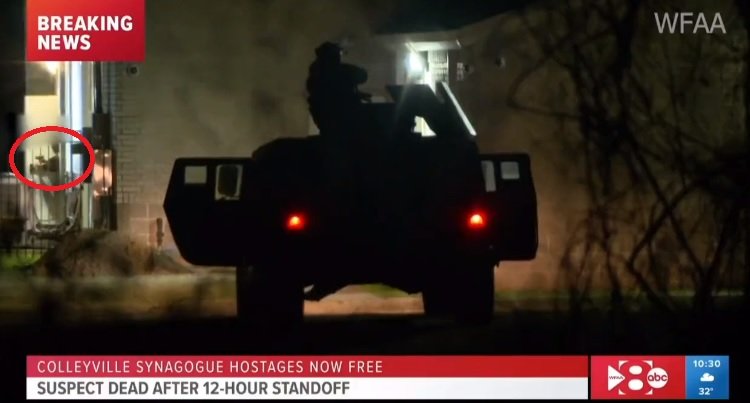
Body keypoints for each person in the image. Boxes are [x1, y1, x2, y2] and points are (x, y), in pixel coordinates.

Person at [306, 42, 370, 138]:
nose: (339, 57)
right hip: (342, 123)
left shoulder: (316, 73)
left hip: (327, 124)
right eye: (338, 54)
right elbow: (362, 76)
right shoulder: (341, 71)